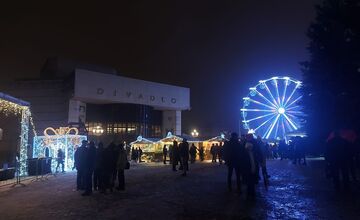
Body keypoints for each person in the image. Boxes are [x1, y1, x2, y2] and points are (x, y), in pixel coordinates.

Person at [244, 134, 257, 199]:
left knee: (251, 181)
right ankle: (250, 193)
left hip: (252, 168)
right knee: (250, 182)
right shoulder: (246, 154)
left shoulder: (253, 153)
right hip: (249, 169)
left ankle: (251, 193)